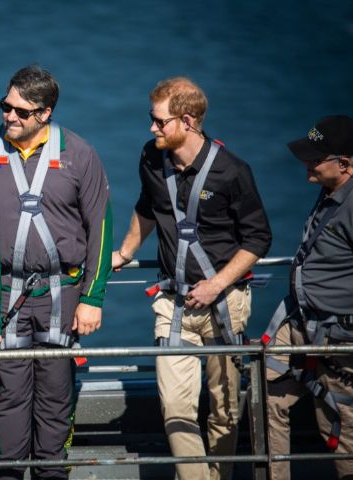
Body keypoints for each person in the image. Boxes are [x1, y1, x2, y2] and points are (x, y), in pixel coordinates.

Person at [112, 77, 271, 480]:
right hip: (173, 302)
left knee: (225, 408)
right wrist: (125, 252)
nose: (152, 129)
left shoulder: (232, 172)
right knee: (176, 410)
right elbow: (147, 207)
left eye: (159, 122)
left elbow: (258, 238)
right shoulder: (152, 157)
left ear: (188, 121)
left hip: (225, 302)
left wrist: (217, 284)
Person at [0, 65, 113, 480]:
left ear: (44, 114)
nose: (9, 116)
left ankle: (51, 474)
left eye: (20, 112)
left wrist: (92, 296)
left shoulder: (79, 154)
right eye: (5, 106)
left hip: (63, 293)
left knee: (55, 394)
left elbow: (100, 226)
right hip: (5, 293)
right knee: (7, 393)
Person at [263, 115, 353, 480]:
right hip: (306, 326)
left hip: (342, 341)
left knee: (341, 424)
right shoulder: (332, 191)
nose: (307, 166)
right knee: (267, 391)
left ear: (344, 164)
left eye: (315, 160)